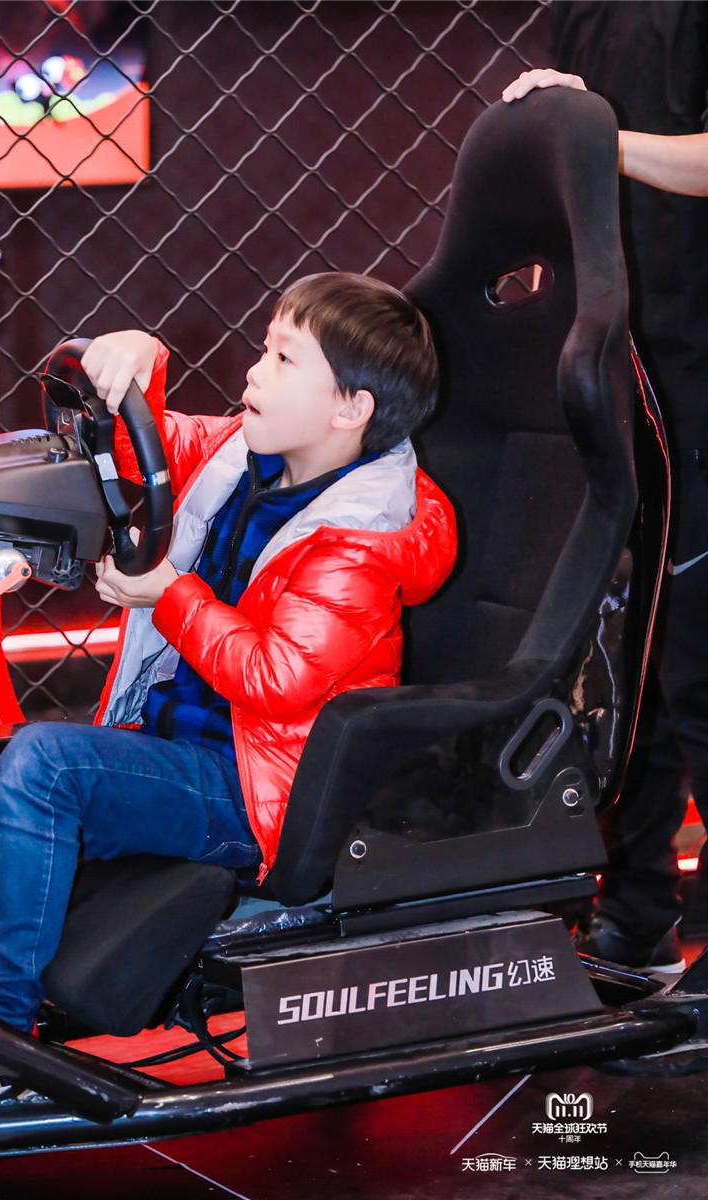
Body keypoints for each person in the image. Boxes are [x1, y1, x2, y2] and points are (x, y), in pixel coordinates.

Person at [0, 272, 457, 1036]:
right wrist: (140, 359)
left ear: (350, 409)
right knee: (14, 781)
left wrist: (168, 595)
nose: (254, 372)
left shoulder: (357, 542)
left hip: (256, 795)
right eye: (264, 349)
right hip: (188, 748)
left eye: (283, 359)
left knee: (48, 764)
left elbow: (277, 677)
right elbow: (141, 449)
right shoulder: (246, 456)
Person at [502, 0, 708, 974]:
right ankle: (635, 913)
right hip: (619, 357)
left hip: (697, 359)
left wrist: (595, 143)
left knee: (698, 657)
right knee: (629, 649)